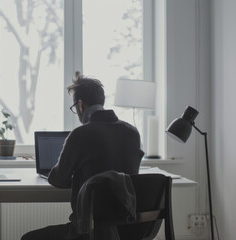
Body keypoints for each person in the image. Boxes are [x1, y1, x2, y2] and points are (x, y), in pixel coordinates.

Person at [21, 75, 144, 240]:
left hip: (88, 231)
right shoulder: (132, 133)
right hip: (126, 230)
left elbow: (57, 179)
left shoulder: (80, 134)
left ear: (80, 105)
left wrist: (81, 179)